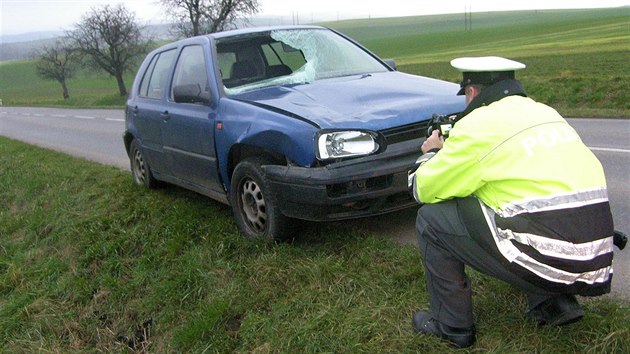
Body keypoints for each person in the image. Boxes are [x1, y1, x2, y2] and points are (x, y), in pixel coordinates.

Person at [409, 56, 615, 348]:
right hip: (597, 259)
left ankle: (452, 326)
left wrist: (433, 153)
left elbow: (423, 189)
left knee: (432, 220)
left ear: (472, 93)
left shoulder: (477, 125)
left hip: (551, 259)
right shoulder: (546, 113)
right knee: (518, 204)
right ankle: (555, 304)